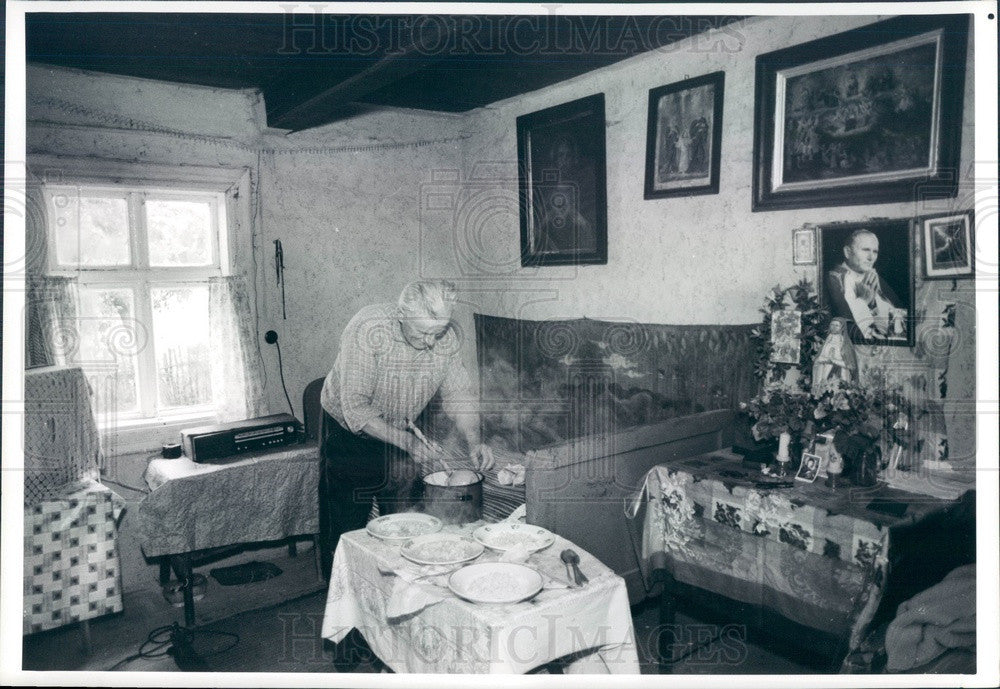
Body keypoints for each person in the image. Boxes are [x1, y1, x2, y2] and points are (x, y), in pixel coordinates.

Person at [317, 280, 494, 569]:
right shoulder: (368, 329)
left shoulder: (445, 336)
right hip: (348, 432)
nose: (430, 342)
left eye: (437, 332)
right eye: (422, 332)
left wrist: (475, 440)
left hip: (403, 425)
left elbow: (459, 394)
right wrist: (410, 443)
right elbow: (356, 410)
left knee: (407, 521)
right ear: (401, 316)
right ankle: (339, 597)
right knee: (346, 525)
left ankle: (399, 589)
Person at [826, 229, 903, 340]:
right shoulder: (833, 279)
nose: (871, 258)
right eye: (865, 250)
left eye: (875, 251)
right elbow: (843, 325)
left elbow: (898, 323)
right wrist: (863, 300)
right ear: (847, 252)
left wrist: (873, 304)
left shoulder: (875, 279)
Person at [811, 317, 858, 396]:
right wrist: (820, 360)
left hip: (838, 375)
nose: (834, 327)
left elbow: (851, 365)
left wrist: (833, 361)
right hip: (823, 373)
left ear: (842, 328)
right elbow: (819, 358)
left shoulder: (844, 343)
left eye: (837, 325)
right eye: (832, 325)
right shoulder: (828, 340)